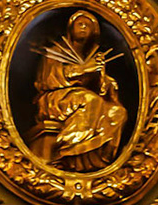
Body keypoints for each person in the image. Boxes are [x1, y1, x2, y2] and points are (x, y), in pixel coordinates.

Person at [26, 10, 129, 171]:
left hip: (83, 98)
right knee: (89, 100)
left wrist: (104, 78)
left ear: (93, 32)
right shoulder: (56, 51)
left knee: (118, 112)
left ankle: (98, 160)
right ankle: (65, 152)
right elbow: (48, 80)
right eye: (79, 24)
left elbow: (99, 88)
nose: (83, 27)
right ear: (71, 29)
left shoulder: (92, 56)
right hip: (54, 98)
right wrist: (82, 69)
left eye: (87, 25)